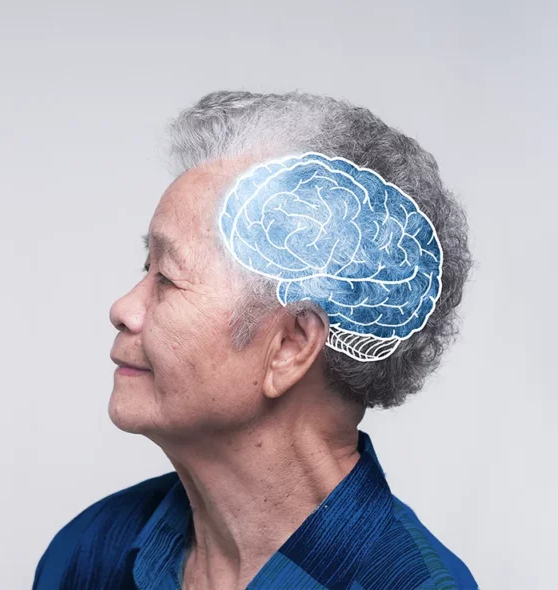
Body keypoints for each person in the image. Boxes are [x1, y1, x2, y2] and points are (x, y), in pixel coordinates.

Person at [32, 91, 478, 589]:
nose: (123, 310)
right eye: (145, 267)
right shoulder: (92, 552)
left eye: (168, 279)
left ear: (289, 346)